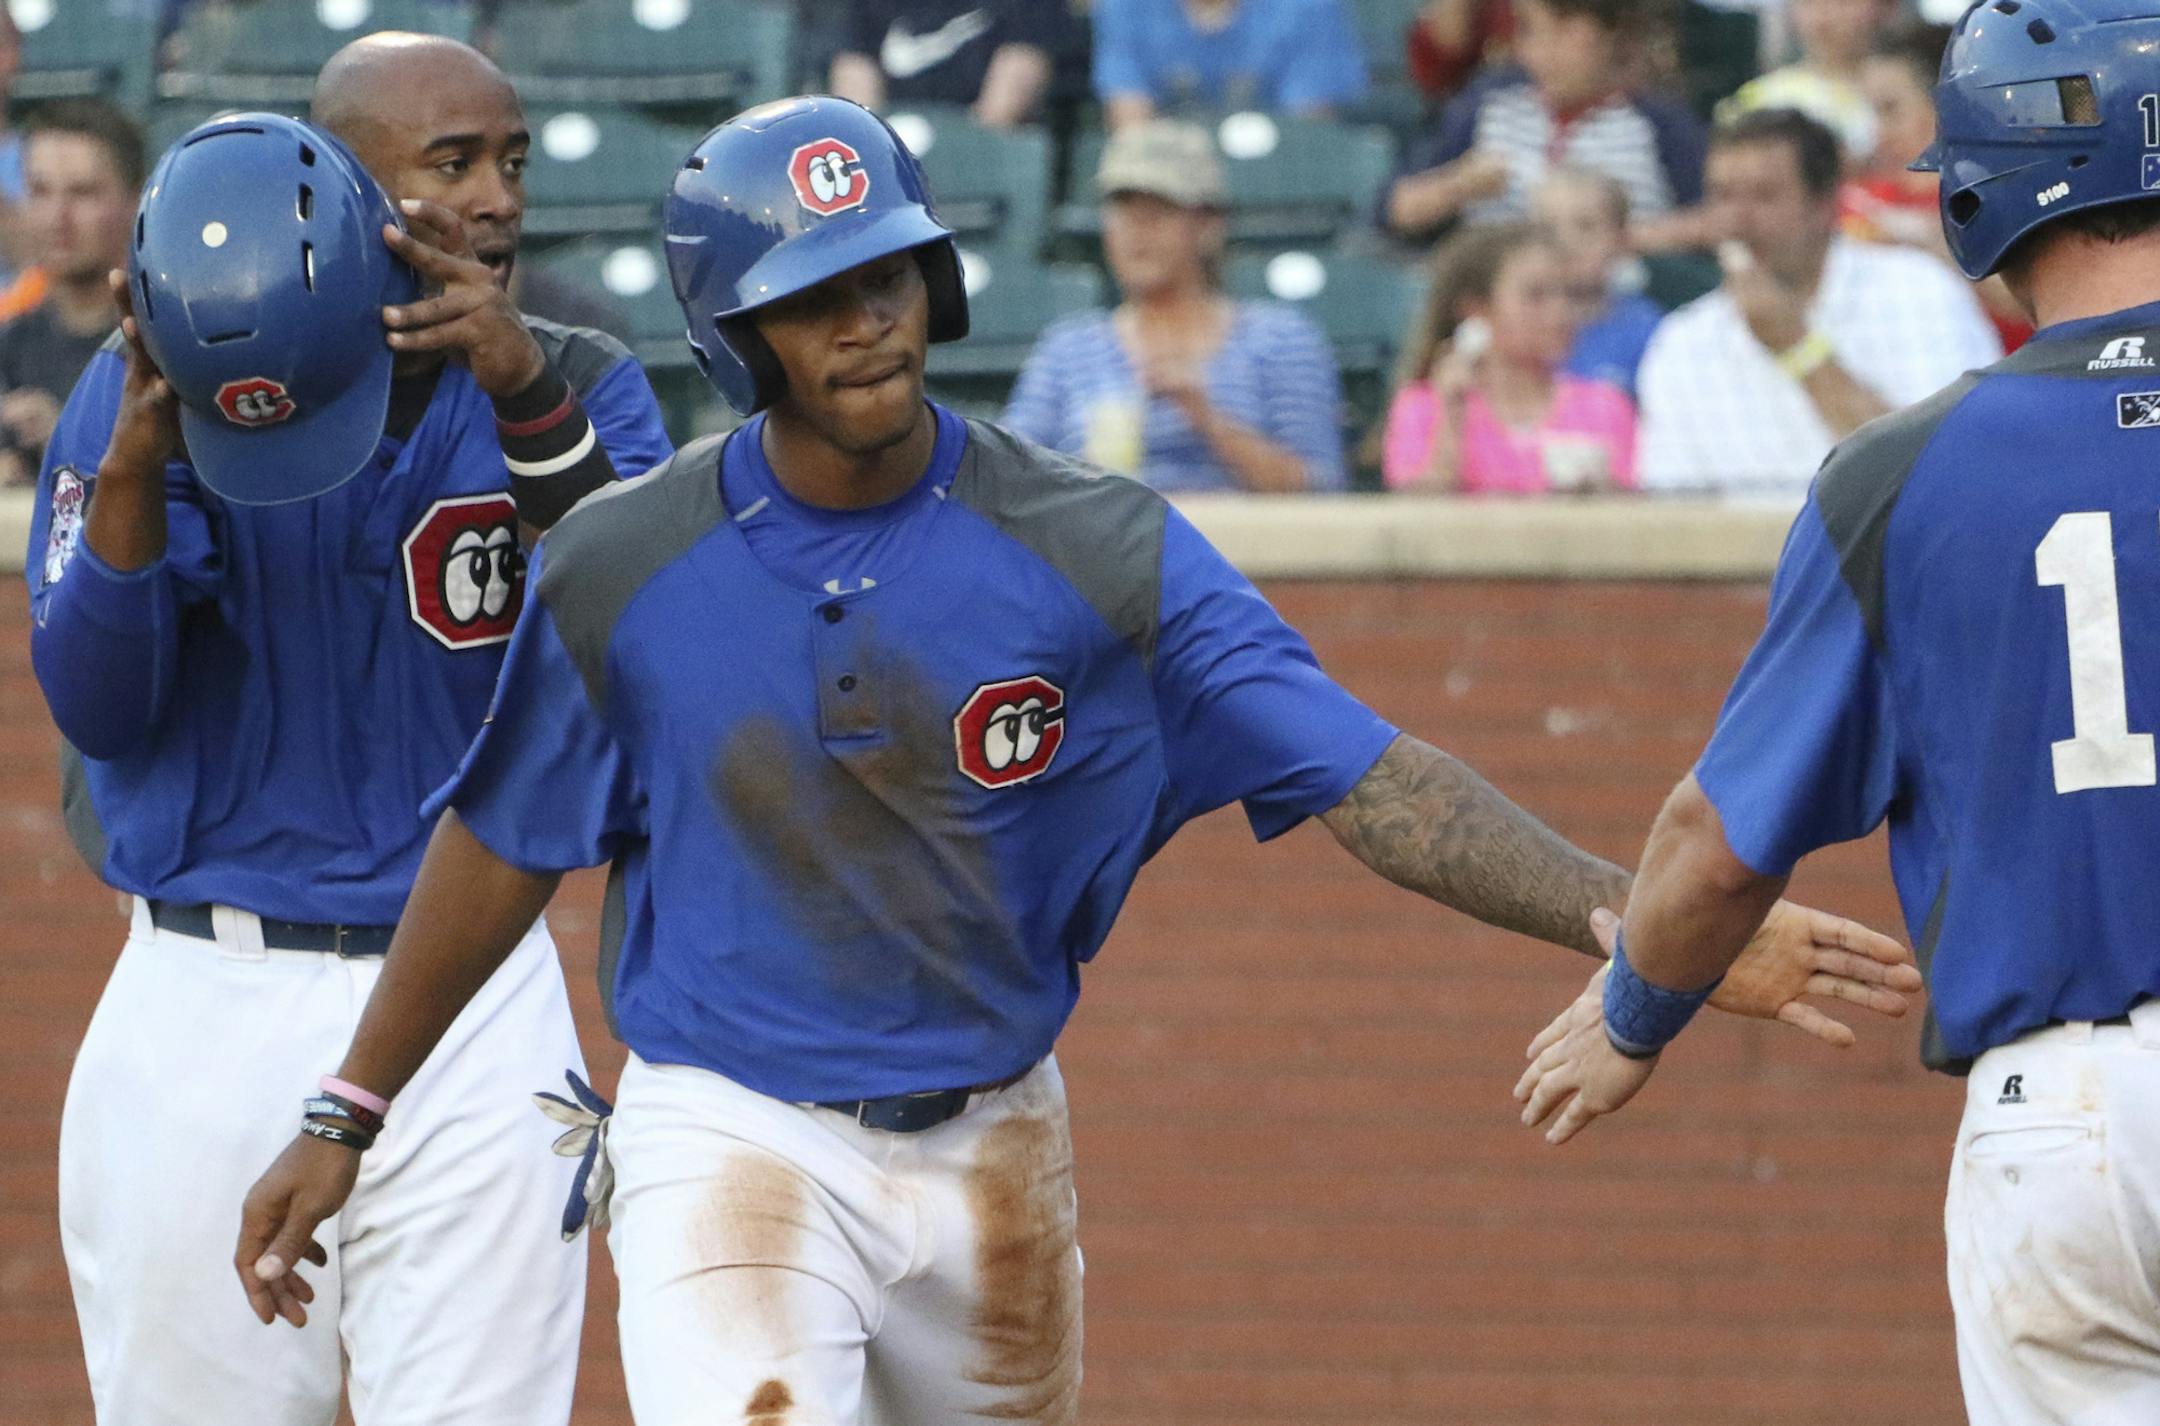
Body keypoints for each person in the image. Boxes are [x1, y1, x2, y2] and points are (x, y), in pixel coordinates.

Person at [233, 94, 1921, 1426]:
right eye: (812, 299)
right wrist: (349, 1106)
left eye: (886, 277)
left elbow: (1375, 781)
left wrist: (1648, 930)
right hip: (728, 1128)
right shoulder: (623, 563)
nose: (868, 325)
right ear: (734, 332)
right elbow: (502, 836)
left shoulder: (1097, 543)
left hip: (993, 1135)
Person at [1514, 3, 2160, 1420]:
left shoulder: (1902, 473)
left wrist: (1634, 1013)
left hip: (2076, 1119)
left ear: (1985, 186)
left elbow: (1722, 838)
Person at [26, 33, 673, 1426]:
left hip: (473, 997)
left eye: (511, 160)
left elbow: (661, 660)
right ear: (330, 190)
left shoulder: (579, 379)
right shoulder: (171, 375)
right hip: (205, 985)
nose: (498, 197)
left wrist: (527, 400)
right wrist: (137, 472)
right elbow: (95, 703)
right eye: (452, 164)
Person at [1636, 107, 2000, 497]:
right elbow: (1669, 505)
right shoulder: (1682, 340)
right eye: (1723, 195)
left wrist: (1799, 347)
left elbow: (1945, 470)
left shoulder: (1919, 294)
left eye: (1764, 196)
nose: (1737, 221)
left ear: (1824, 204)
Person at [1002, 118, 1345, 492]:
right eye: (1122, 210)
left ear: (1208, 225)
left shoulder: (1280, 338)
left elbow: (1320, 491)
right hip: (1097, 544)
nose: (1136, 229)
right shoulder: (1066, 349)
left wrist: (1205, 417)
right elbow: (1006, 483)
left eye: (1158, 211)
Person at [1383, 0, 1707, 253]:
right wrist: (1458, 185)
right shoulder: (1493, 100)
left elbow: (1715, 220)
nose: (1541, 51)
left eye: (1564, 31)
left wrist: (1623, 237)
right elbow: (1396, 209)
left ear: (1608, 36)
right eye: (1530, 30)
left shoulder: (1659, 121)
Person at [1379, 221, 1637, 493]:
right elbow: (1415, 518)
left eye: (1569, 294)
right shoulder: (1422, 408)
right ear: (1476, 310)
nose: (1560, 311)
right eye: (1535, 296)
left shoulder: (1606, 405)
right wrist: (1451, 416)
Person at [1841, 23, 2030, 350]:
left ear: (1951, 104)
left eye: (1890, 109)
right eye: (1869, 111)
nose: (1876, 131)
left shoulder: (2007, 196)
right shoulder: (1855, 202)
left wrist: (1938, 245)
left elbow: (2033, 311)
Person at [0, 101, 145, 489]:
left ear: (135, 202)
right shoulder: (8, 344)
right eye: (40, 191)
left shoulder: (161, 350)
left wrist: (64, 444)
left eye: (83, 193)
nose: (57, 217)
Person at [1091, 0, 1368, 129]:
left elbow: (1303, 140)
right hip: (1171, 194)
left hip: (1271, 189)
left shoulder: (1309, 6)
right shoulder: (1124, 6)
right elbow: (1132, 133)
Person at [827, 0, 1080, 128]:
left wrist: (952, 152)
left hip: (982, 170)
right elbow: (854, 83)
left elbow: (1002, 112)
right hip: (888, 159)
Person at [1534, 166, 1664, 399]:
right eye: (1547, 228)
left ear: (1621, 240)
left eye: (1586, 226)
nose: (1565, 241)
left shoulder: (1650, 332)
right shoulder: (1507, 328)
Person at [1719, 0, 1894, 161]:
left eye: (1843, 2)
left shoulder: (1908, 89)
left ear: (1885, 7)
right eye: (1808, 2)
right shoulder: (1765, 97)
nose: (1822, 18)